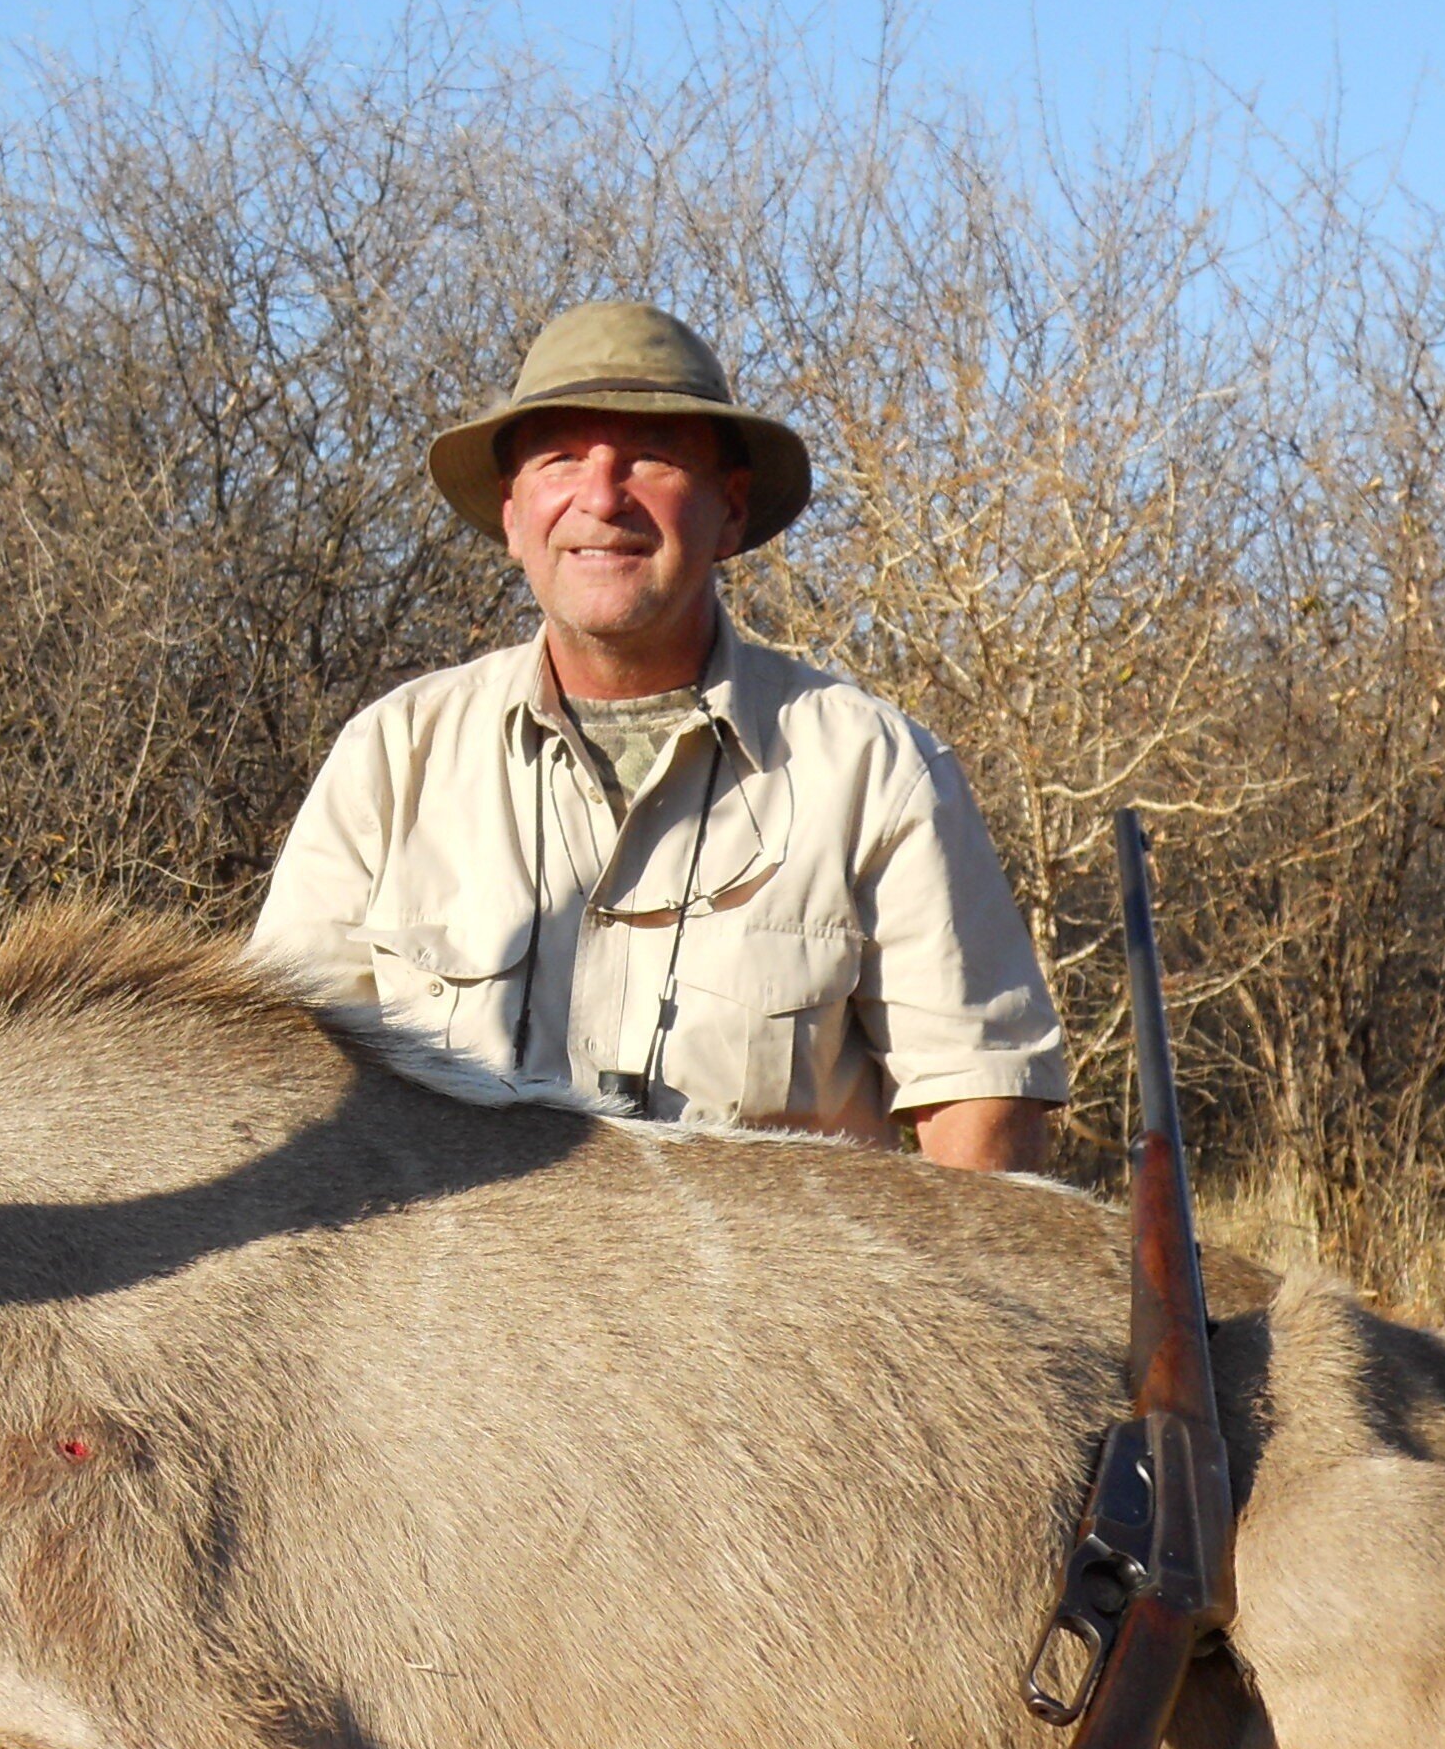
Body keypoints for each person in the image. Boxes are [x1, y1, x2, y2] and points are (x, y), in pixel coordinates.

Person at [252, 301, 1067, 1166]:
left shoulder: (874, 771)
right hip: (451, 1299)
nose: (601, 498)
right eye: (562, 459)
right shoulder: (390, 759)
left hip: (771, 1301)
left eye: (651, 457)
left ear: (732, 512)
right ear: (514, 515)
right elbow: (280, 1089)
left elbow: (980, 1117)